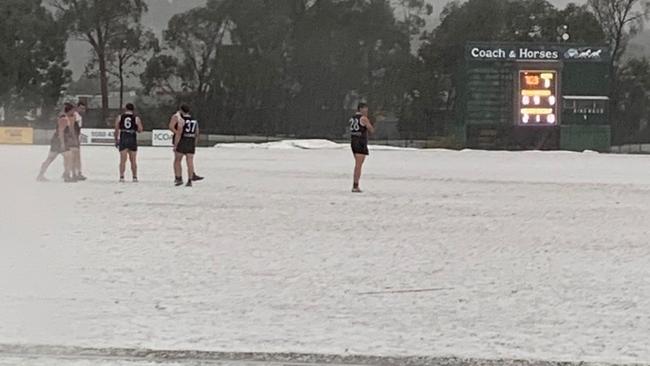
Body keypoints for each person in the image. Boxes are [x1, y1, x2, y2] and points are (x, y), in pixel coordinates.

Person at [37, 103, 77, 182]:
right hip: (59, 140)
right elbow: (61, 131)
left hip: (57, 140)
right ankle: (67, 176)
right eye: (72, 110)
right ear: (70, 110)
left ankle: (40, 175)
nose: (74, 112)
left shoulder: (63, 117)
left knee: (51, 158)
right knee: (68, 157)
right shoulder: (64, 119)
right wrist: (62, 143)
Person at [169, 105, 203, 185]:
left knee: (177, 160)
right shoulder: (194, 120)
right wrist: (194, 143)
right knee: (190, 161)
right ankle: (190, 180)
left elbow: (179, 133)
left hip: (182, 140)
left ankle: (179, 178)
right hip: (190, 140)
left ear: (181, 111)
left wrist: (175, 145)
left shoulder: (181, 120)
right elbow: (197, 133)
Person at [349, 102, 375, 193]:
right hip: (360, 142)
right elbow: (371, 129)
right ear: (361, 109)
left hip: (353, 141)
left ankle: (356, 184)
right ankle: (355, 185)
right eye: (365, 109)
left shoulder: (352, 118)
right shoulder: (363, 118)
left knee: (358, 164)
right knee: (358, 165)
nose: (366, 111)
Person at [114, 103, 144, 182]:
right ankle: (134, 177)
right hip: (132, 138)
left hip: (124, 137)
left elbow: (116, 129)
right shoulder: (136, 118)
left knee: (122, 160)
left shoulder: (120, 117)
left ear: (125, 109)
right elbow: (140, 129)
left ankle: (121, 176)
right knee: (133, 160)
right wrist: (135, 128)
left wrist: (116, 139)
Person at [72, 102, 87, 180]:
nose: (83, 110)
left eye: (84, 108)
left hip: (76, 137)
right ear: (77, 107)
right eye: (81, 108)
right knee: (76, 157)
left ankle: (72, 172)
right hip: (74, 138)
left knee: (74, 156)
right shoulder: (76, 116)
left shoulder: (78, 116)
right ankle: (77, 173)